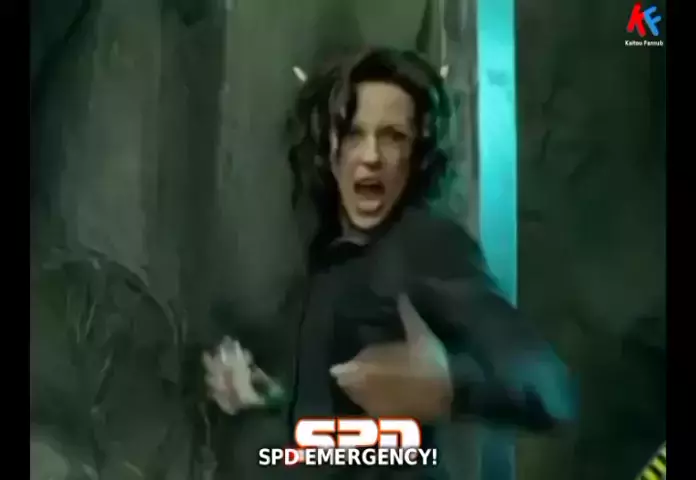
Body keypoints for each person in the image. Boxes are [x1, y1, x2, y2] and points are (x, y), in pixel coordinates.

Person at [202, 48, 576, 479]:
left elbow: (551, 390)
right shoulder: (332, 260)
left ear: (417, 154)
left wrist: (450, 386)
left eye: (393, 136)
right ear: (328, 149)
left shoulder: (426, 244)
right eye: (353, 134)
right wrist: (277, 401)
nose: (372, 155)